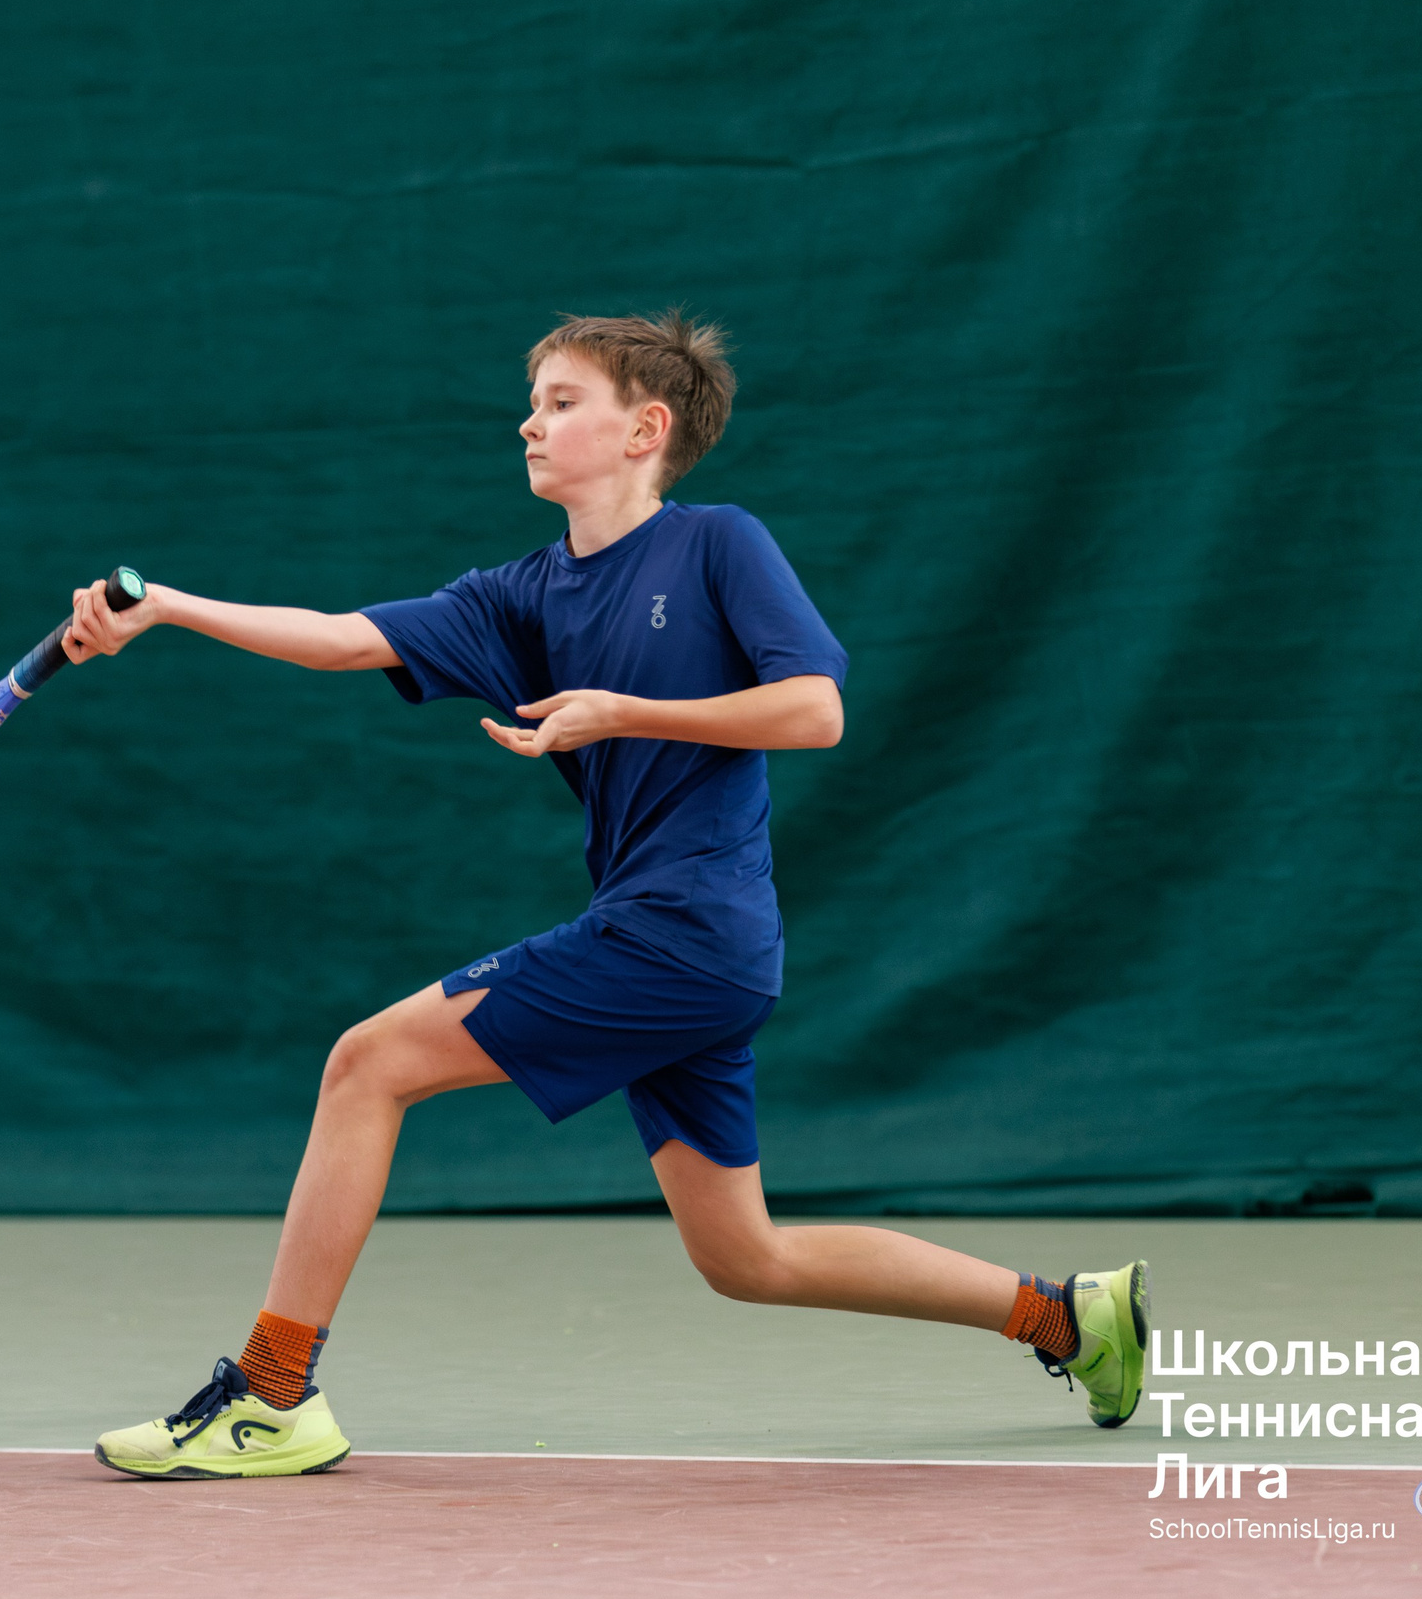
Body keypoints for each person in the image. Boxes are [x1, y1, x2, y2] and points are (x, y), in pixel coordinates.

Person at [58, 313, 1149, 1478]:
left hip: (684, 932)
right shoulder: (519, 596)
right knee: (746, 1258)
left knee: (366, 1062)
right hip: (686, 948)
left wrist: (624, 710)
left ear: (645, 428)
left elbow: (814, 709)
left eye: (562, 399)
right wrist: (170, 606)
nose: (531, 419)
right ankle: (1065, 1319)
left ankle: (271, 1397)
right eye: (532, 400)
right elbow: (338, 638)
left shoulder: (719, 545)